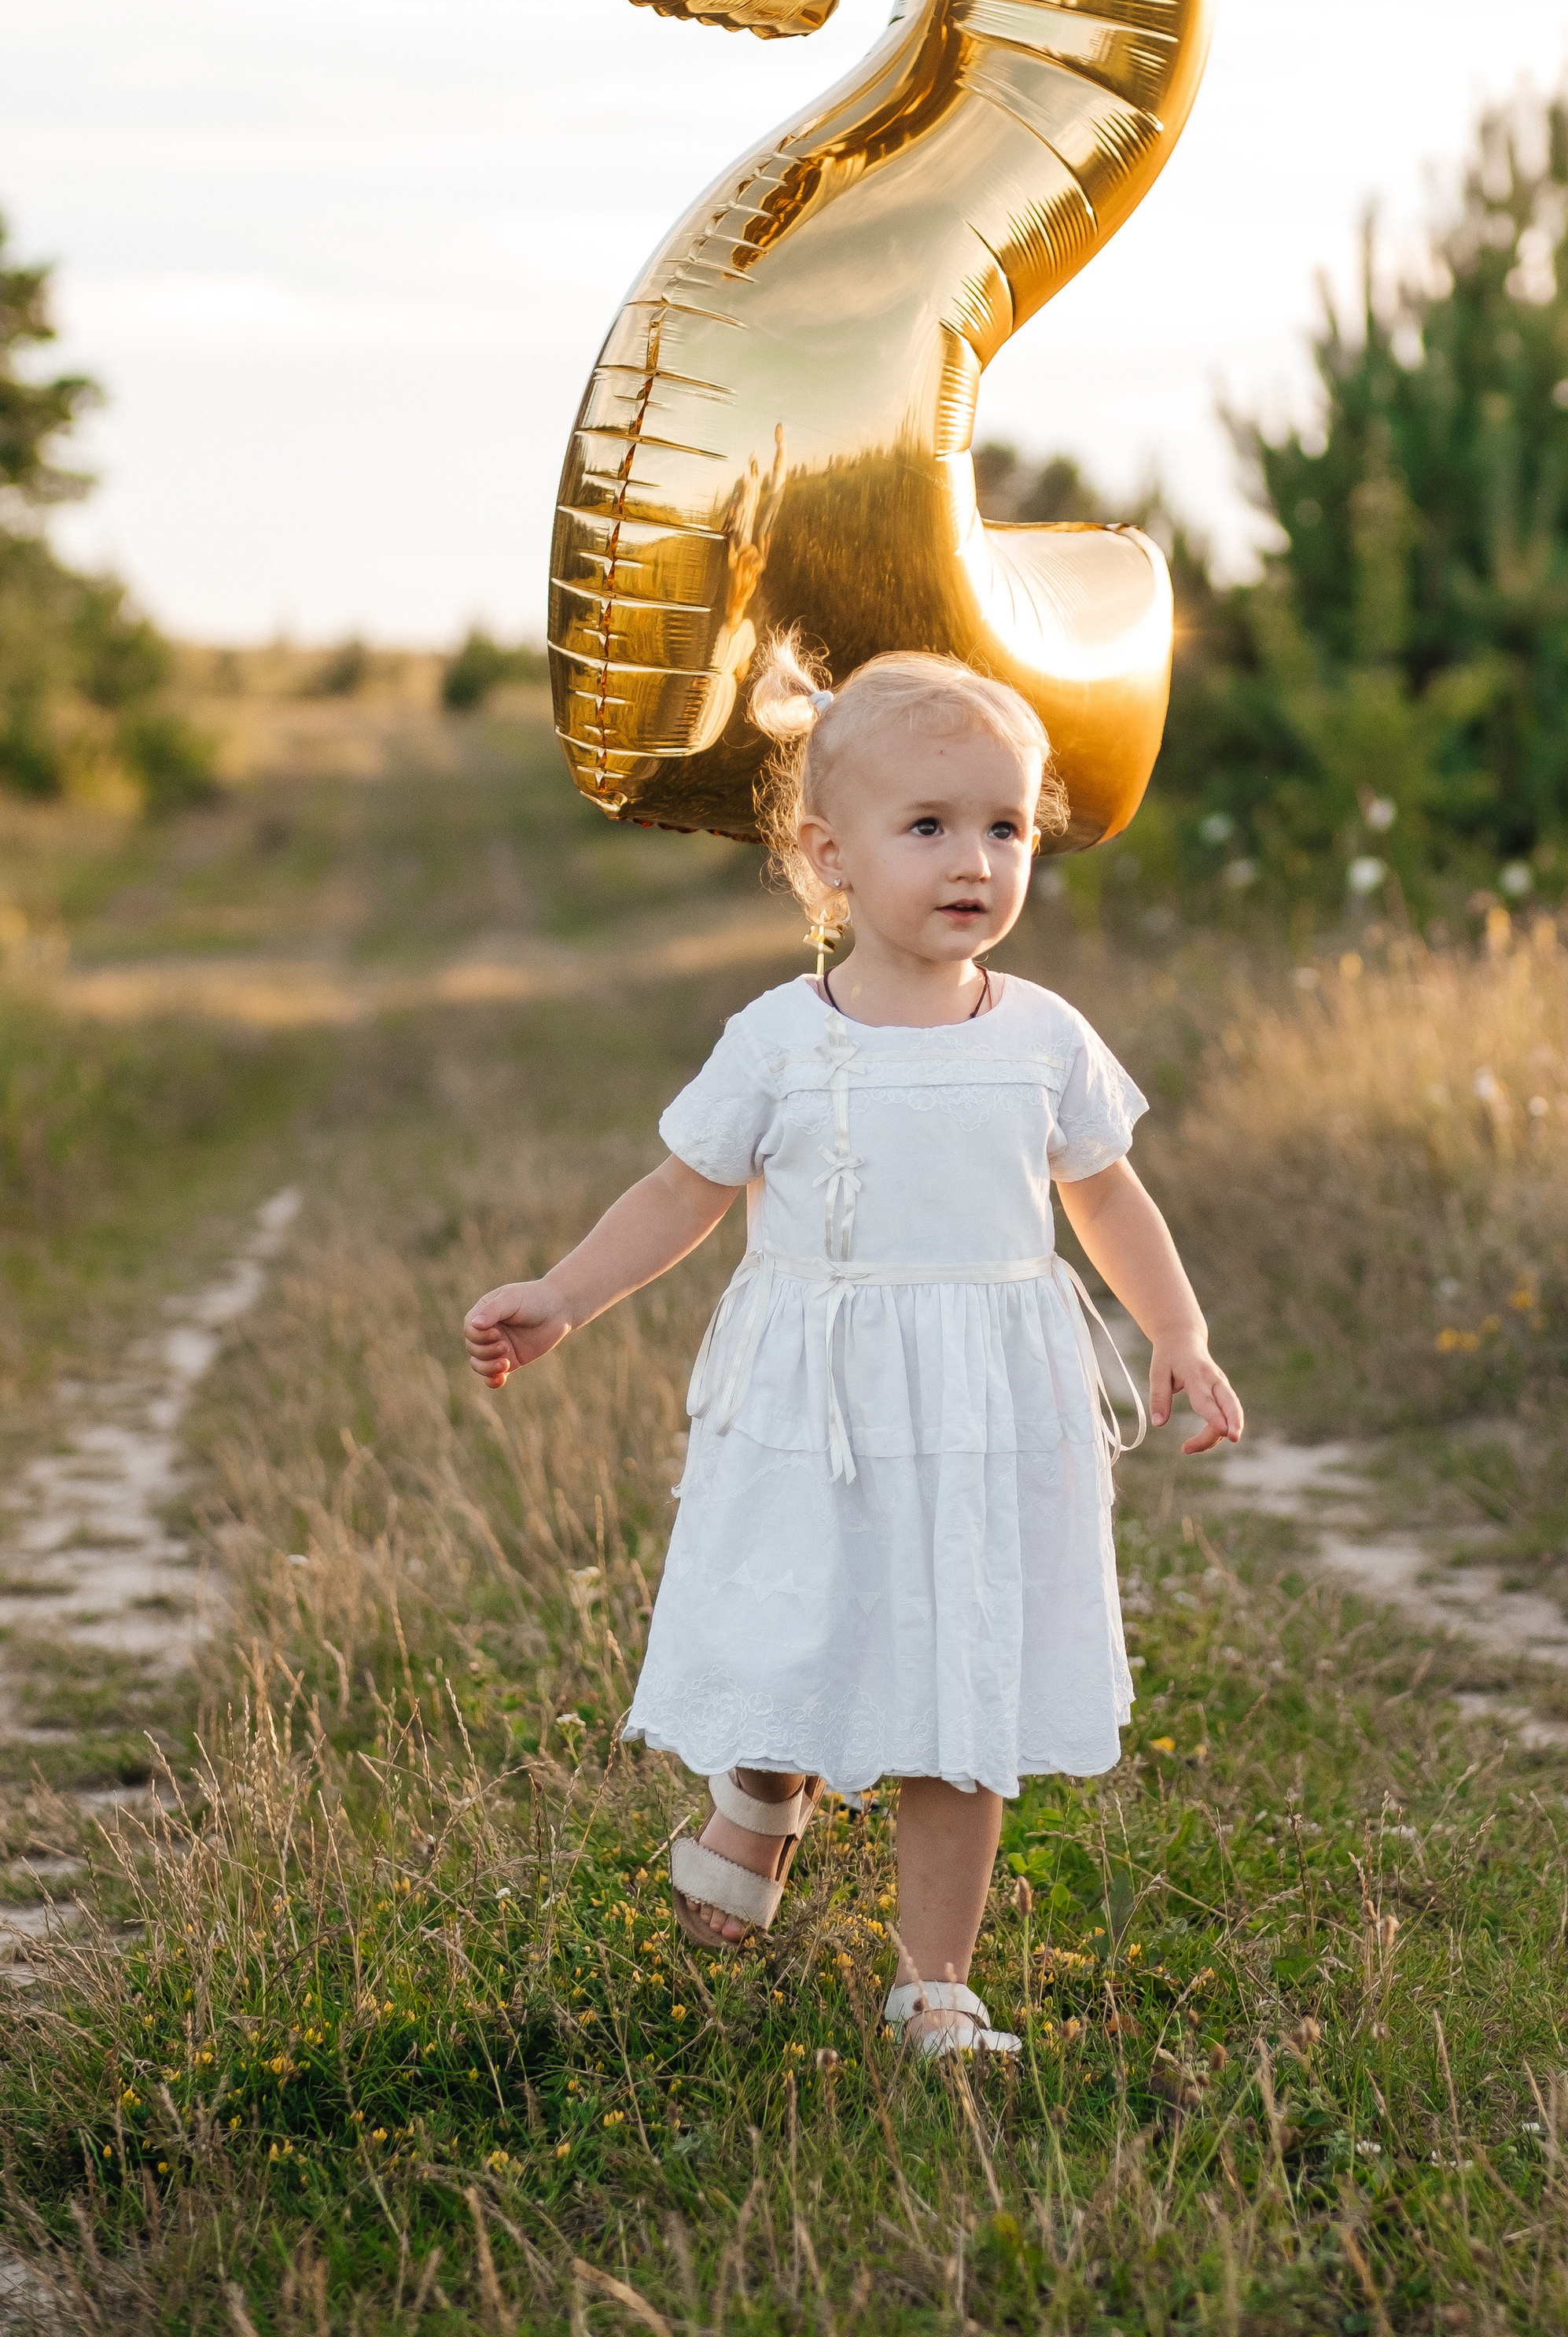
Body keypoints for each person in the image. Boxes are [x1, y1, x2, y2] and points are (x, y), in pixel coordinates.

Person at [462, 635, 1242, 2056]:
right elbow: (683, 1192)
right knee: (797, 1618)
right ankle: (762, 1795)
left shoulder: (1046, 1037)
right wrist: (565, 1293)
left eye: (1006, 826)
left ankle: (934, 1984)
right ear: (829, 856)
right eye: (931, 825)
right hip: (818, 1396)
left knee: (965, 1676)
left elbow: (1106, 1190)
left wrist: (1176, 1330)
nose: (977, 860)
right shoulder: (778, 1041)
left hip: (991, 1408)